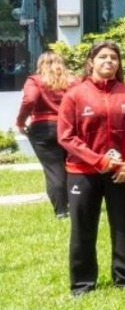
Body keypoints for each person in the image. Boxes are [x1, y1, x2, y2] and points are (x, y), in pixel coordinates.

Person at [57, 42, 125, 296]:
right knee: (83, 228)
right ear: (91, 62)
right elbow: (66, 136)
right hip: (82, 172)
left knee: (122, 226)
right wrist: (99, 160)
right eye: (103, 57)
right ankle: (83, 283)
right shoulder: (74, 95)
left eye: (114, 58)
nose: (109, 61)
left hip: (122, 172)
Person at [16, 51, 75, 219]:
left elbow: (30, 100)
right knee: (72, 168)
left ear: (40, 64)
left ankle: (61, 211)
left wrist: (20, 121)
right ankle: (77, 204)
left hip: (43, 128)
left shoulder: (34, 80)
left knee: (53, 170)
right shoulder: (73, 81)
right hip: (69, 127)